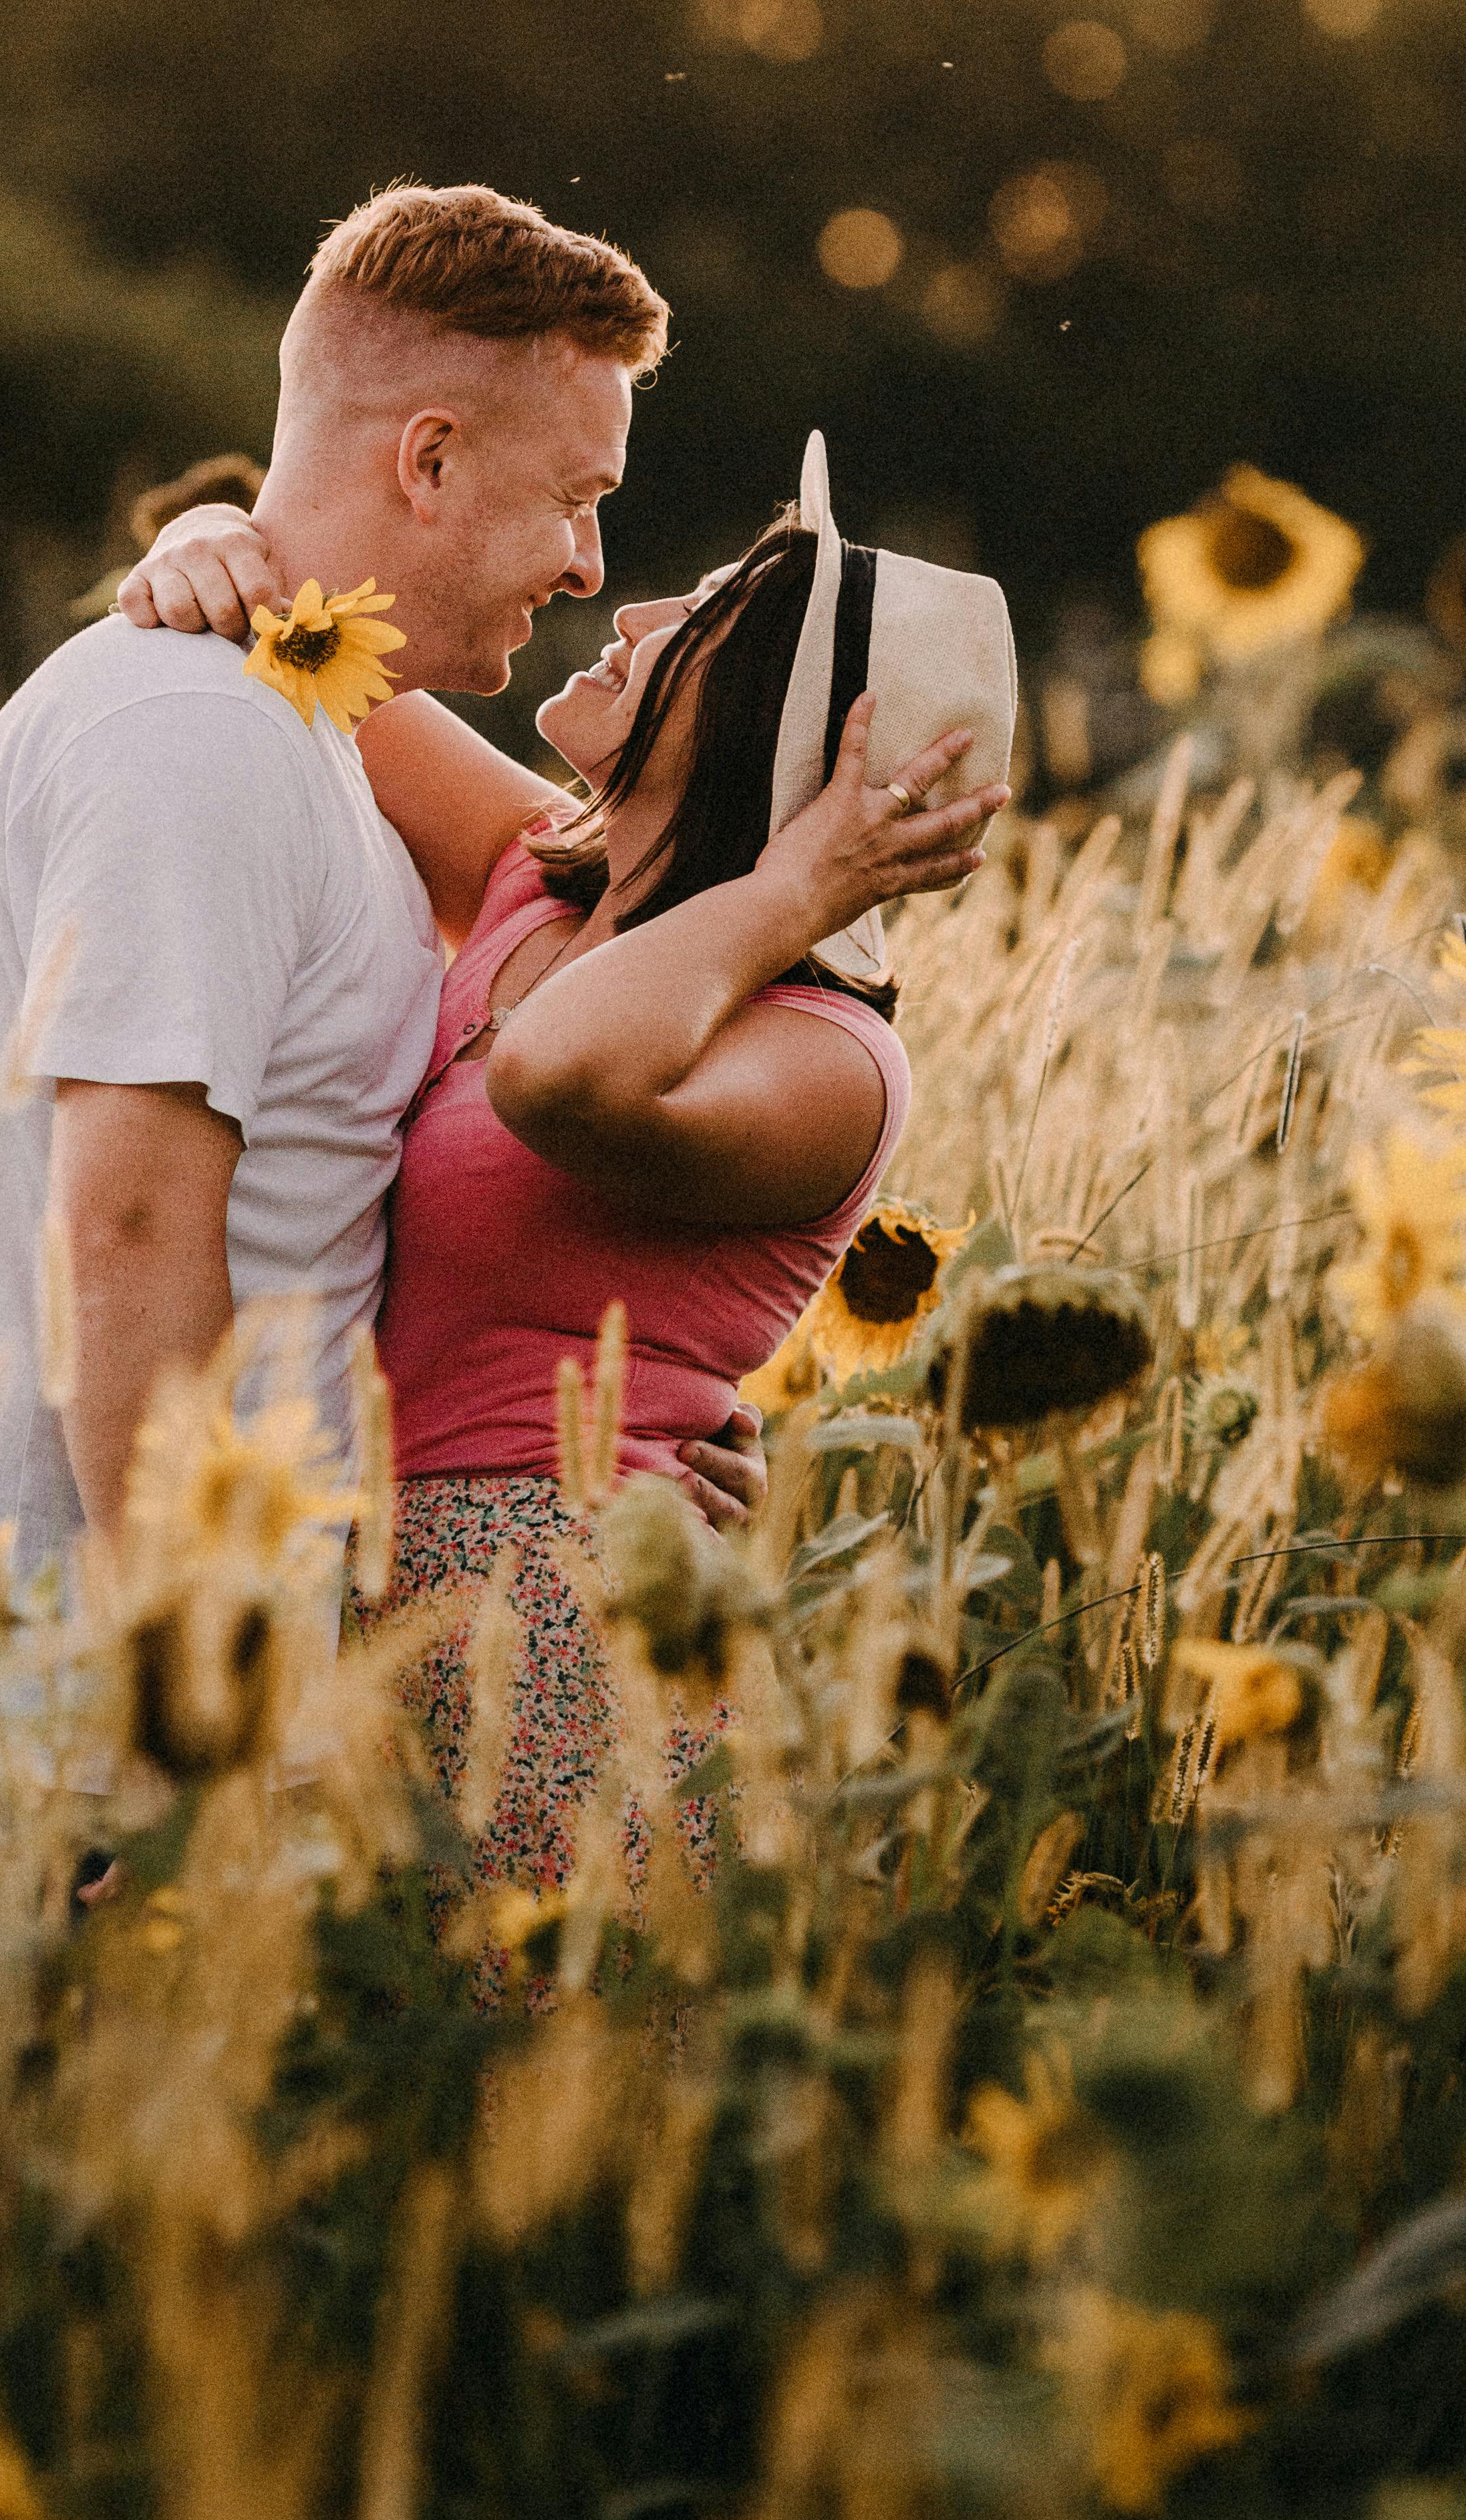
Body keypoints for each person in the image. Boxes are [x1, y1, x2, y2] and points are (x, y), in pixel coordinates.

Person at [0, 183, 773, 1798]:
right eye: (576, 495)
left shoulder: (293, 716)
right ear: (428, 460)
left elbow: (598, 898)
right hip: (36, 1735)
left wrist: (638, 1414)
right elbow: (132, 1235)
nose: (591, 559)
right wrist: (194, 1748)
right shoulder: (199, 738)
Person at [120, 432, 1016, 1889]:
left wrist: (797, 888)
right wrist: (203, 536)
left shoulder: (828, 1059)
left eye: (701, 619)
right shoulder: (533, 880)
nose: (636, 611)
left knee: (526, 2100)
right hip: (335, 1590)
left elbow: (553, 1078)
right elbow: (295, 644)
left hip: (560, 1645)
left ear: (781, 735)